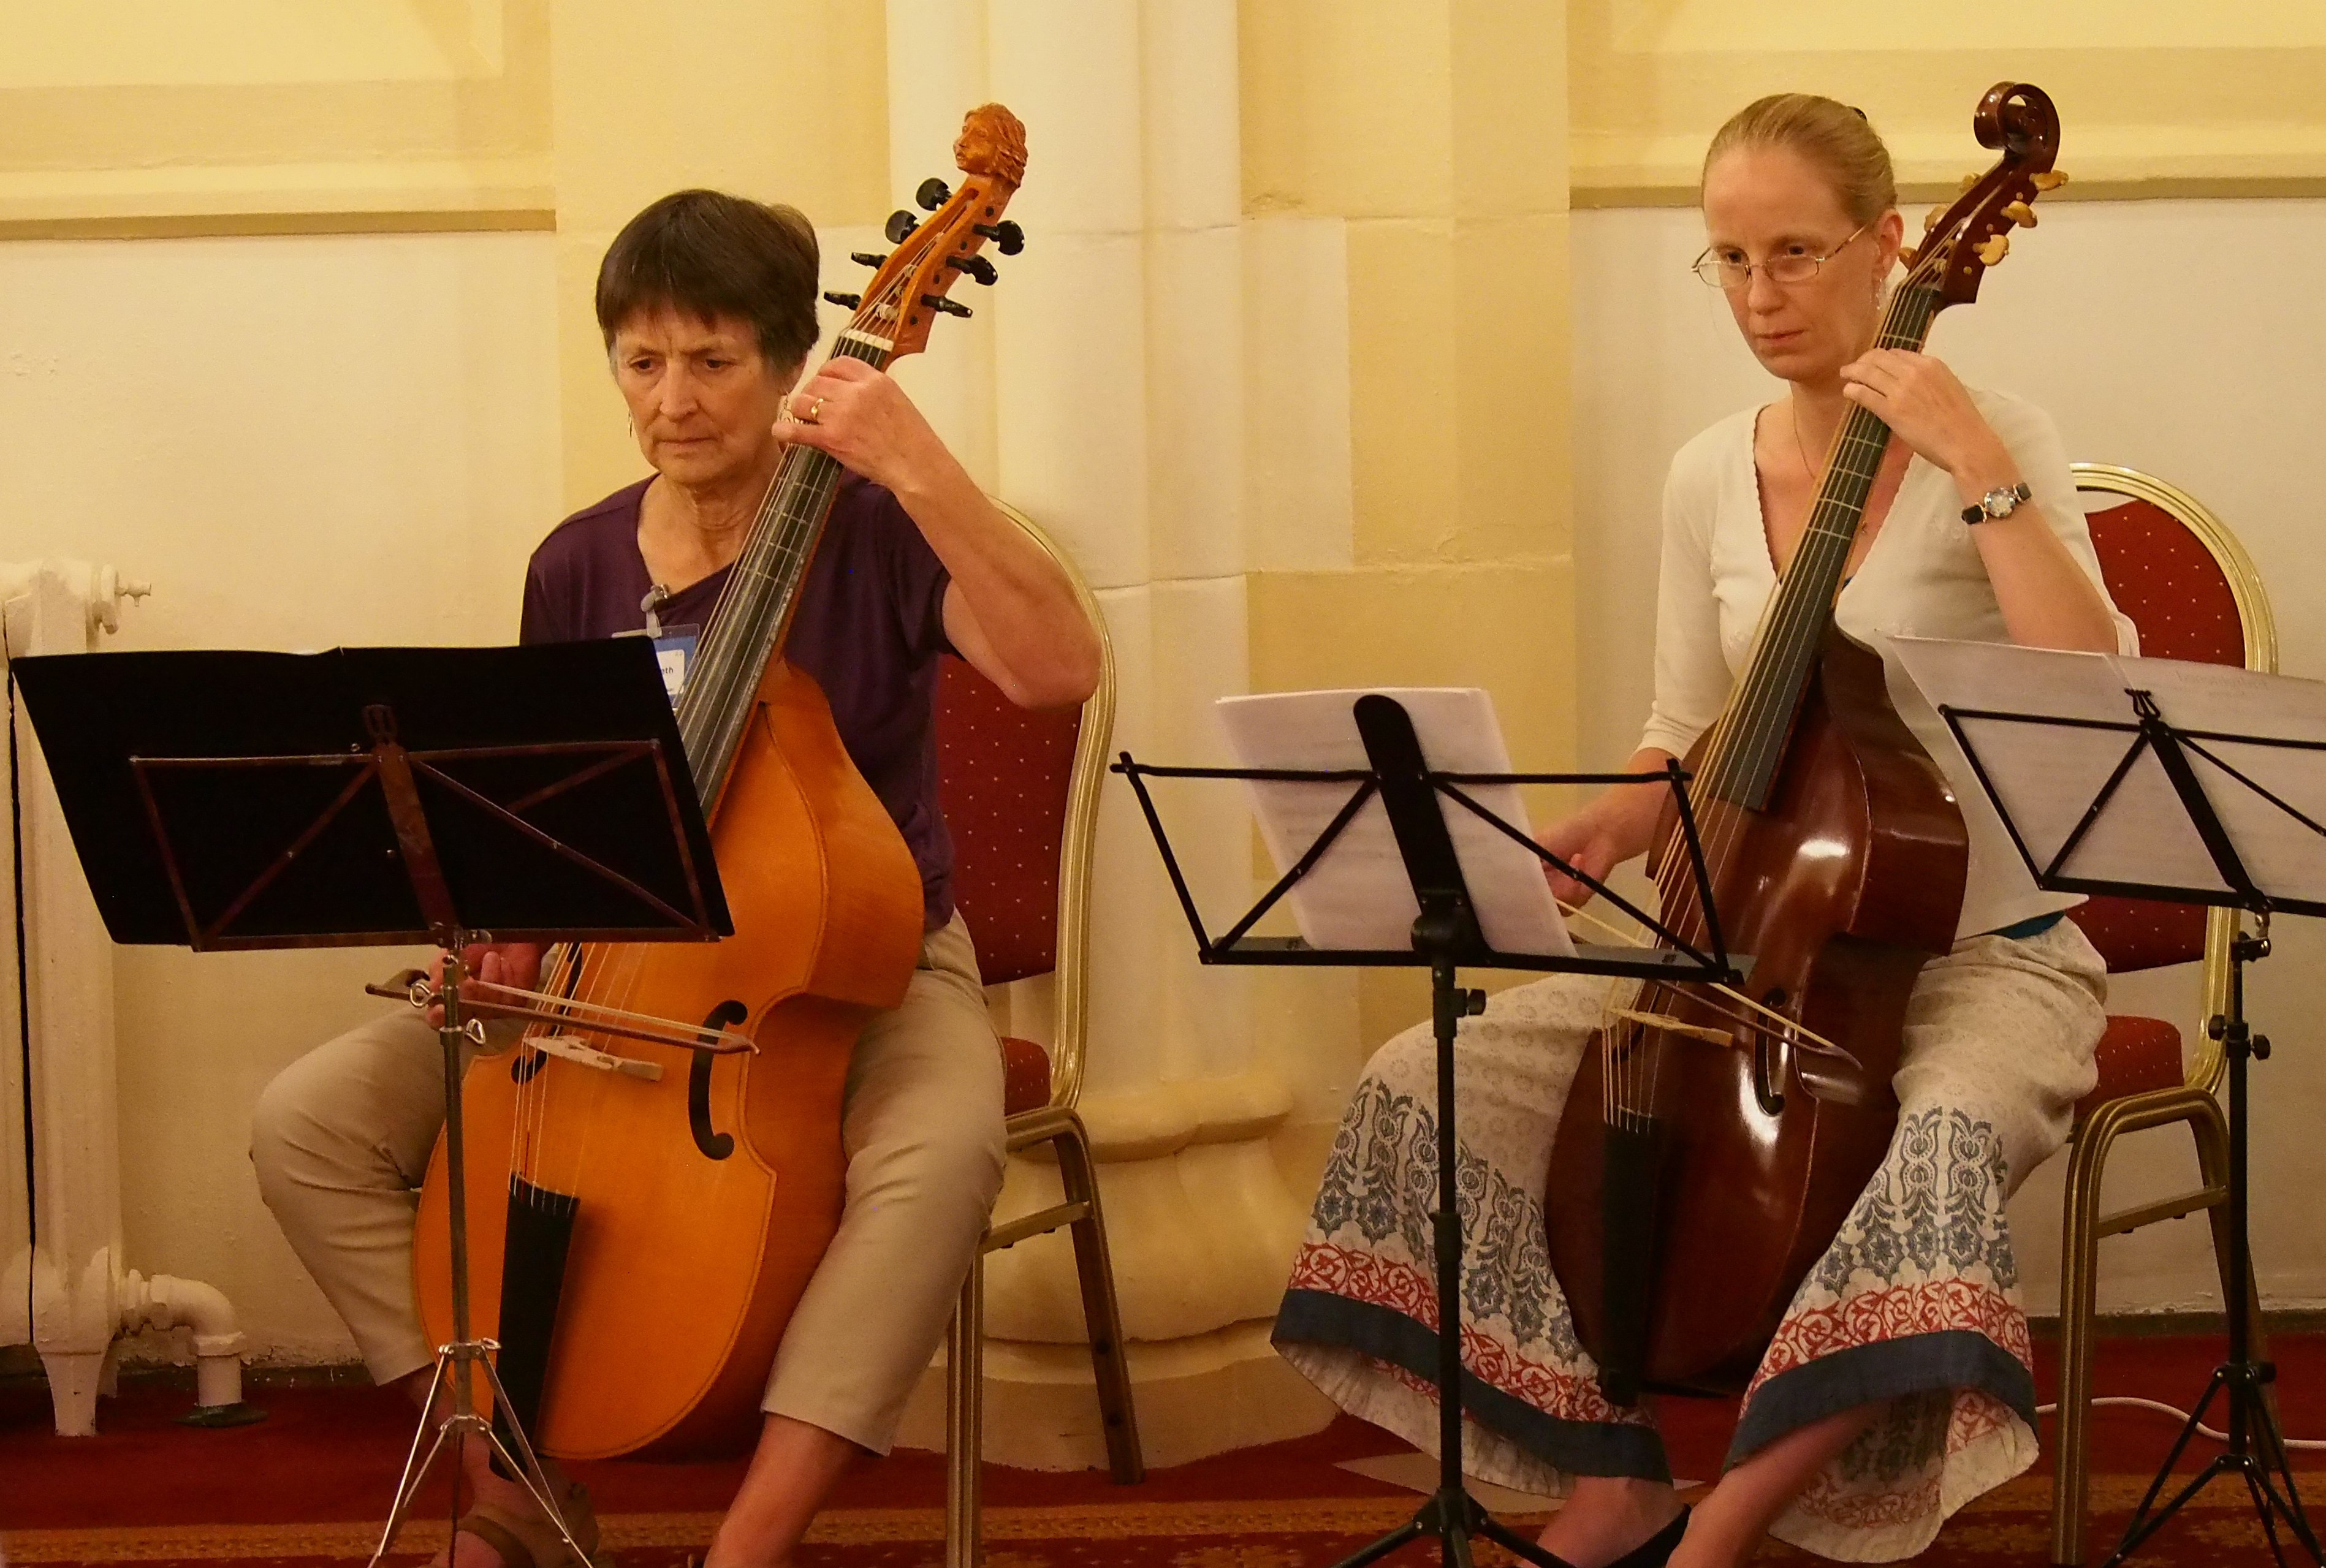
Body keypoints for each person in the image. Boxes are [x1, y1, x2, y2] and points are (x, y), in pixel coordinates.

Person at [1272, 95, 2134, 1568]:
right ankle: (1608, 1469)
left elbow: (2093, 687)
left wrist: (1973, 461)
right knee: (1426, 1080)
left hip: (1983, 952)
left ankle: (1719, 1528)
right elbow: (1684, 720)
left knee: (1936, 1140)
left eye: (1793, 252)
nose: (1757, 294)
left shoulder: (1994, 445)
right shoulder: (1702, 470)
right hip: (1740, 938)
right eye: (1727, 258)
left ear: (1888, 244)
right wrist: (1608, 819)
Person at [249, 185, 1100, 1568]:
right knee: (310, 1122)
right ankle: (511, 1489)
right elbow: (534, 809)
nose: (674, 398)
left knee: (941, 1151)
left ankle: (749, 1546)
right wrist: (508, 932)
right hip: (602, 958)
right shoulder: (577, 562)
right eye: (642, 362)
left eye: (713, 360)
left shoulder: (878, 532)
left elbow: (1057, 670)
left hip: (860, 966)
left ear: (790, 365)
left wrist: (919, 465)